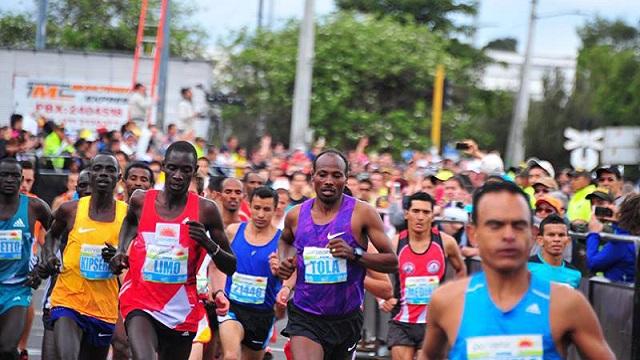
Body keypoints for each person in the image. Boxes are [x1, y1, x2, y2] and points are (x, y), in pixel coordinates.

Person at [419, 181, 613, 360]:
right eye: (496, 225)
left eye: (518, 226)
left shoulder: (566, 304)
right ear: (473, 233)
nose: (508, 235)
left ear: (532, 234)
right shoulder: (447, 301)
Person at [108, 141, 237, 360]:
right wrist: (121, 250)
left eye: (185, 170)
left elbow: (230, 265)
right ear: (164, 167)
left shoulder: (206, 210)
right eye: (173, 168)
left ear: (194, 172)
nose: (178, 175)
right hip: (140, 300)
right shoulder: (141, 200)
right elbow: (129, 223)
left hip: (180, 308)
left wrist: (208, 244)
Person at [277, 149, 398, 360]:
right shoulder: (296, 215)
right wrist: (284, 262)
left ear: (346, 179)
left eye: (336, 175)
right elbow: (286, 241)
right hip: (305, 316)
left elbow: (392, 262)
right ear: (312, 176)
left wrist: (355, 254)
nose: (329, 181)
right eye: (322, 174)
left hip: (346, 318)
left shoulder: (363, 213)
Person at [35, 153, 127, 359]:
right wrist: (49, 257)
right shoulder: (70, 210)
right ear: (90, 174)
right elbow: (51, 237)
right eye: (98, 169)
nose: (103, 174)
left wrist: (119, 257)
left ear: (119, 178)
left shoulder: (127, 216)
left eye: (110, 170)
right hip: (68, 300)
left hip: (104, 306)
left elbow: (133, 254)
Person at [379, 192, 466, 360]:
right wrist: (382, 298)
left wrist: (456, 298)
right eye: (416, 211)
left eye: (426, 212)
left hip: (432, 322)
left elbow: (461, 269)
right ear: (406, 214)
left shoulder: (446, 242)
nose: (420, 217)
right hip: (401, 320)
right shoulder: (395, 243)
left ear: (433, 216)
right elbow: (376, 270)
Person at [211, 186, 283, 360]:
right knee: (231, 356)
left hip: (262, 314)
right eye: (256, 208)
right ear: (249, 206)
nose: (260, 214)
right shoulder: (233, 232)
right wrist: (218, 291)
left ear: (275, 210)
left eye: (266, 209)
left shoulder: (282, 241)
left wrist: (281, 272)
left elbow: (290, 275)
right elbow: (216, 264)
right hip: (233, 307)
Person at [0, 158, 52, 360]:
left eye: (15, 175)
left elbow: (57, 235)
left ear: (21, 179)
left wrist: (42, 264)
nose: (10, 179)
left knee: (6, 347)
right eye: (4, 174)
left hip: (17, 288)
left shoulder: (34, 207)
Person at [586, 193, 636, 283]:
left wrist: (593, 234)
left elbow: (594, 264)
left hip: (619, 292)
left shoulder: (622, 243)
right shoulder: (629, 236)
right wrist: (618, 223)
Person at [528, 214, 581, 289]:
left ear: (568, 241)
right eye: (551, 235)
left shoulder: (575, 274)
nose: (557, 239)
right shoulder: (526, 267)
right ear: (540, 240)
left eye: (561, 235)